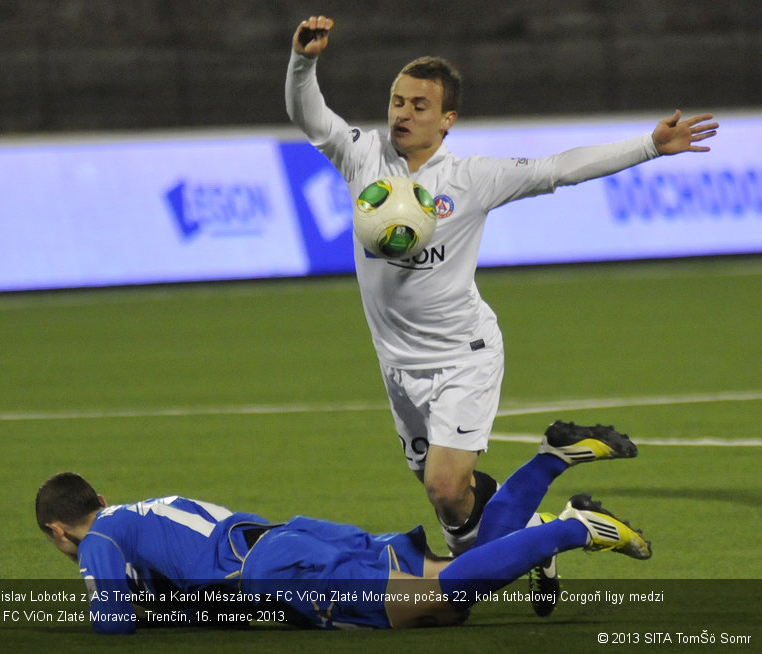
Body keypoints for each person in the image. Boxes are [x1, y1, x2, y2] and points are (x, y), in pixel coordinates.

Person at [285, 14, 717, 611]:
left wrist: (649, 145)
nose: (402, 114)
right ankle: (544, 531)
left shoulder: (472, 178)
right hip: (399, 371)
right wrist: (304, 61)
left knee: (443, 487)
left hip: (464, 358)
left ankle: (556, 472)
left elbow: (558, 169)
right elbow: (311, 117)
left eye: (417, 105)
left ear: (447, 119)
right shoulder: (366, 160)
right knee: (455, 510)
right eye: (396, 102)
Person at [36, 420, 650, 634]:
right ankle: (551, 458)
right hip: (289, 544)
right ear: (103, 494)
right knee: (451, 586)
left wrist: (141, 607)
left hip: (281, 573)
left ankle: (575, 529)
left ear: (60, 531)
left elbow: (113, 621)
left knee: (450, 595)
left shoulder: (102, 537)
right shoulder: (142, 514)